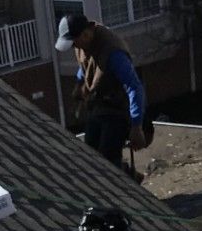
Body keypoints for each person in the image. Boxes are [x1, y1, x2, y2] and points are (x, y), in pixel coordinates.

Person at [56, 12, 148, 174]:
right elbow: (85, 64)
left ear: (85, 33)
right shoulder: (83, 44)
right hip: (99, 105)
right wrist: (79, 84)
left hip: (118, 109)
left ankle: (125, 183)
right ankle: (122, 173)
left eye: (74, 43)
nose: (74, 47)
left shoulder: (113, 52)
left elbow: (134, 87)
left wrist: (136, 127)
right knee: (91, 155)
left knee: (108, 158)